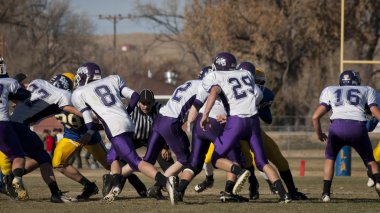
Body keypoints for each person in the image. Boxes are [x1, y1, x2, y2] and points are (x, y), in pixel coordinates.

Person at [195, 66, 308, 201]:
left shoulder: (234, 85)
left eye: (260, 82)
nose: (259, 85)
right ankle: (273, 192)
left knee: (276, 160)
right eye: (257, 81)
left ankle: (289, 191)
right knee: (255, 161)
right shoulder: (243, 85)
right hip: (247, 124)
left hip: (236, 126)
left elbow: (268, 118)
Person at [71, 62, 177, 205]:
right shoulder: (112, 79)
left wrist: (94, 130)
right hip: (128, 123)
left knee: (135, 161)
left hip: (115, 128)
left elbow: (89, 123)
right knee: (112, 157)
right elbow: (134, 96)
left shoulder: (79, 93)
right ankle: (115, 183)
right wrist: (126, 114)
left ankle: (165, 182)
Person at [9, 73, 81, 203]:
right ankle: (54, 193)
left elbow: (21, 97)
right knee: (44, 158)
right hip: (20, 126)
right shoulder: (63, 95)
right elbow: (68, 108)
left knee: (25, 158)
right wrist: (90, 116)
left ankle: (11, 177)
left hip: (8, 124)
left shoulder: (38, 81)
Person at [312, 70, 380, 202]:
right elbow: (377, 114)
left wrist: (319, 133)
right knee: (370, 160)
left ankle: (326, 193)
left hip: (336, 127)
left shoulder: (330, 90)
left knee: (330, 158)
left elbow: (315, 116)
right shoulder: (367, 90)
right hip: (358, 127)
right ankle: (378, 180)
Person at [0, 57, 30, 200]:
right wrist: (17, 86)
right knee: (18, 156)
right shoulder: (8, 82)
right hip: (2, 123)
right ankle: (13, 180)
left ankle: (5, 182)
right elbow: (25, 95)